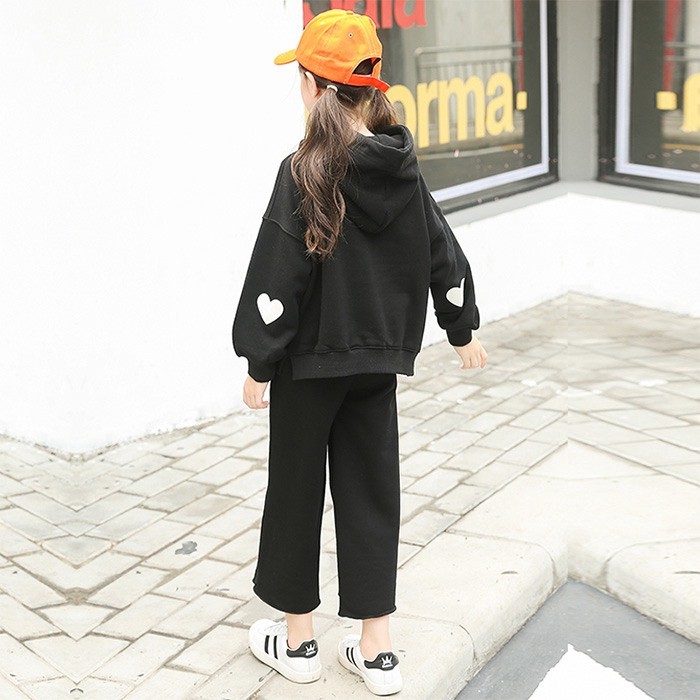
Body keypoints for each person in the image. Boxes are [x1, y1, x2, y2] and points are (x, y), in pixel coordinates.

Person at [231, 8, 487, 696]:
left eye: (301, 77)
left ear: (315, 87)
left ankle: (299, 641)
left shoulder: (304, 170)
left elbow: (277, 275)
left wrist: (258, 359)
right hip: (377, 363)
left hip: (309, 366)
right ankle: (377, 651)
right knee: (372, 493)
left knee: (295, 491)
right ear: (370, 89)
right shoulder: (402, 169)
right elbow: (442, 251)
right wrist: (460, 327)